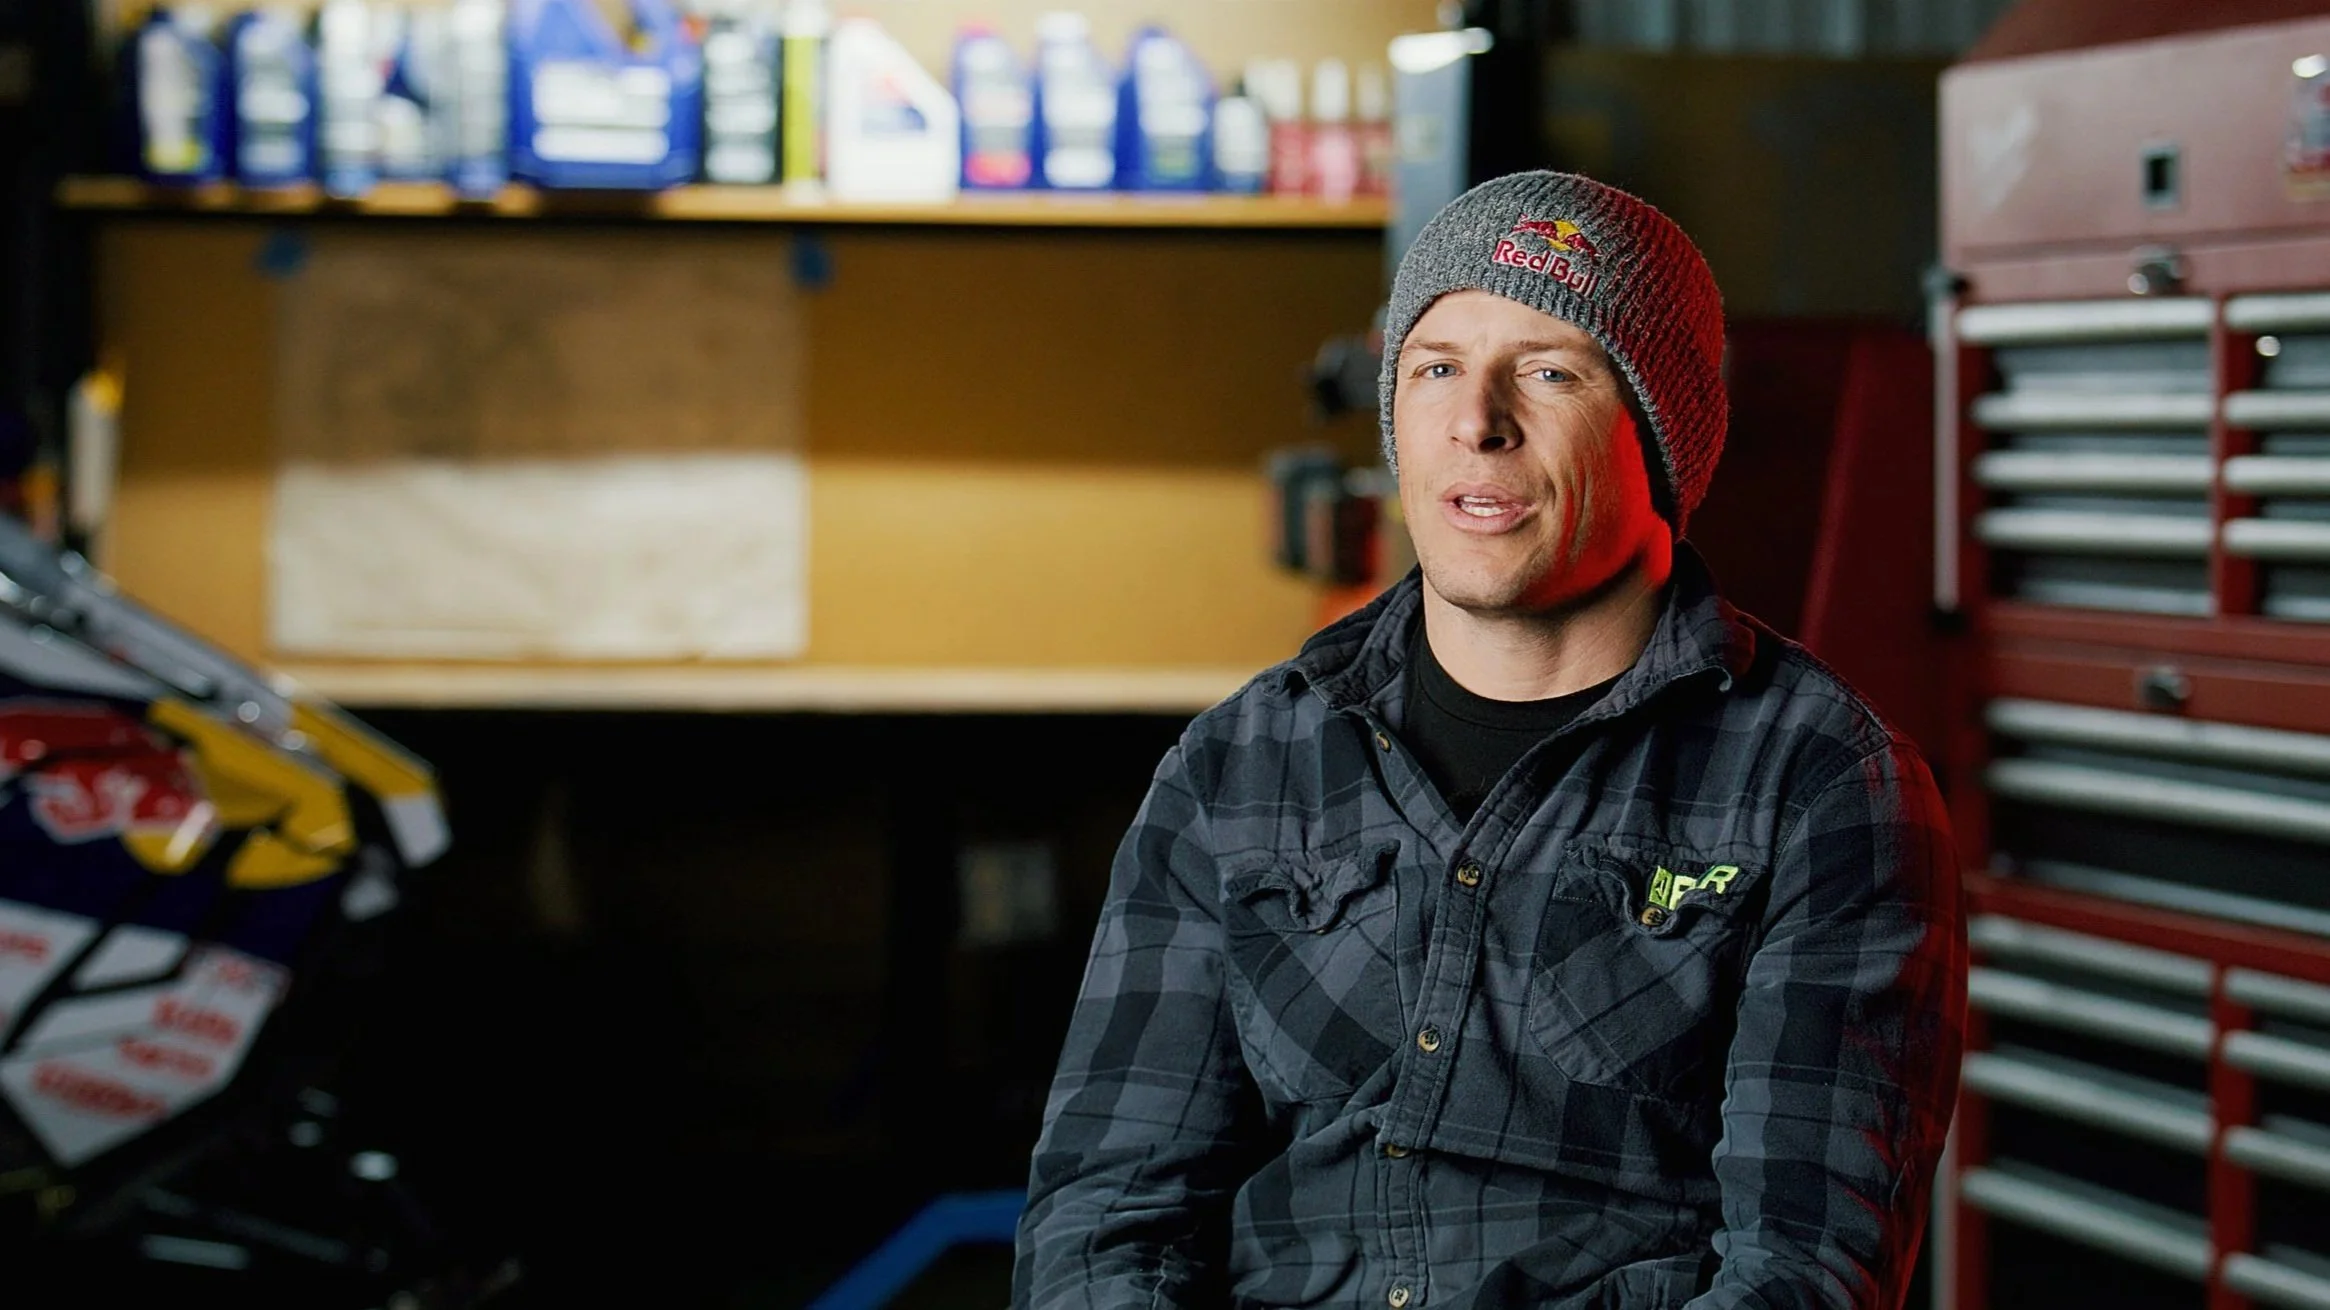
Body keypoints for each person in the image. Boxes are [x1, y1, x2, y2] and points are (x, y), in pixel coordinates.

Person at [1012, 170, 1967, 1309]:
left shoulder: (1818, 787)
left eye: (1548, 370)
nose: (1476, 421)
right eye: (1435, 369)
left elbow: (1801, 1274)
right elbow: (1103, 1216)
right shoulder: (1239, 765)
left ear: (1658, 433)